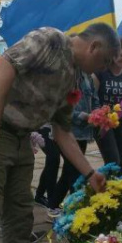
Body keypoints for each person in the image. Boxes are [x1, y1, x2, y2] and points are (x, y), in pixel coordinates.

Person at [0, 23, 116, 243]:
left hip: (22, 137)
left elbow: (62, 131)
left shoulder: (75, 76)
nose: (105, 68)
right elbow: (5, 64)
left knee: (21, 217)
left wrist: (90, 174)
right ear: (94, 46)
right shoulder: (51, 40)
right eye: (105, 61)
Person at [48, 70, 100, 211]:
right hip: (67, 132)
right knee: (74, 173)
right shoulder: (68, 75)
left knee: (69, 172)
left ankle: (53, 205)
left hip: (82, 133)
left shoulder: (88, 76)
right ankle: (76, 210)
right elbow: (61, 109)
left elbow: (94, 98)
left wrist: (96, 112)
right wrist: (82, 116)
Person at [92, 38, 122, 169]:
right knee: (112, 160)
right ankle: (107, 187)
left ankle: (116, 187)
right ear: (113, 54)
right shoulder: (100, 72)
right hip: (104, 123)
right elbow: (92, 98)